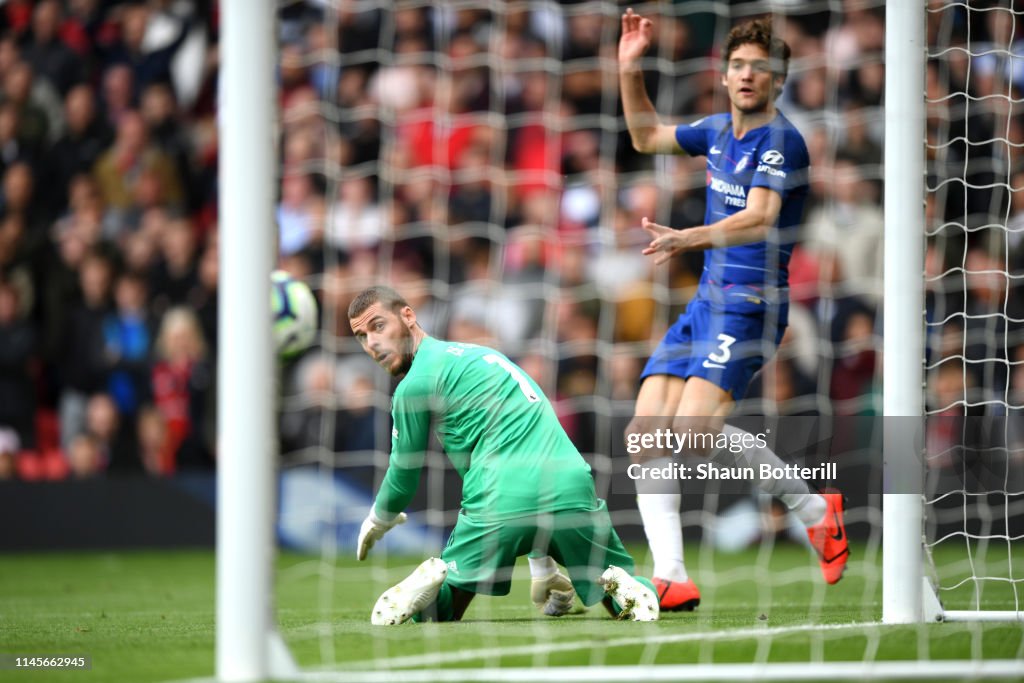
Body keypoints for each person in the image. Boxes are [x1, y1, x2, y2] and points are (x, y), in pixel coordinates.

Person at [617, 10, 850, 611]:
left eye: (760, 69)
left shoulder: (782, 141)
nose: (748, 76)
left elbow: (761, 217)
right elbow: (645, 136)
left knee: (693, 433)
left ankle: (813, 509)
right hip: (704, 304)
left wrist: (685, 238)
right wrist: (628, 66)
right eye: (739, 66)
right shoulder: (717, 130)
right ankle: (671, 575)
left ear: (778, 81)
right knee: (645, 435)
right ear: (724, 76)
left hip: (750, 306)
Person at [348, 285, 658, 624]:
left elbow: (404, 471)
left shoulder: (414, 385)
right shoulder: (484, 356)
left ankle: (436, 578)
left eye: (378, 326)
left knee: (441, 614)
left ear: (408, 315)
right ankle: (625, 586)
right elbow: (527, 445)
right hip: (572, 484)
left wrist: (379, 517)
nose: (372, 343)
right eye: (361, 336)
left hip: (498, 496)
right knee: (622, 600)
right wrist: (543, 563)